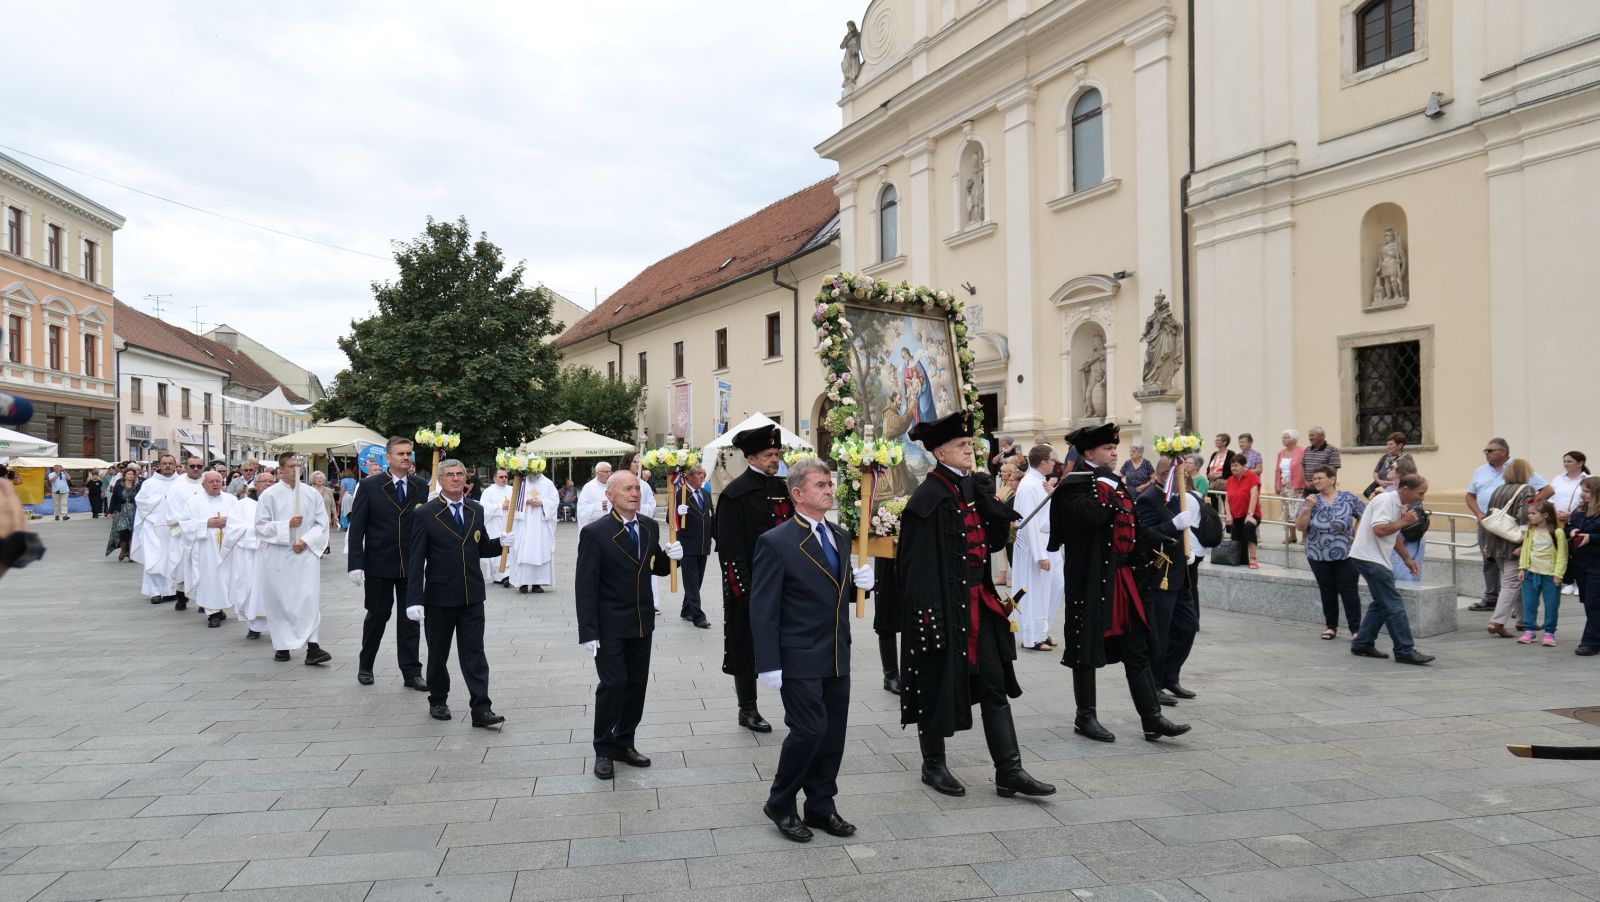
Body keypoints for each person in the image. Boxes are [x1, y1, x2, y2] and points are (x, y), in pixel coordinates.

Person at [898, 410, 1054, 798]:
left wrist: (991, 504)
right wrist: (927, 617)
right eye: (961, 445)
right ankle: (932, 764)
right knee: (935, 681)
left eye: (970, 444)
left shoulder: (969, 488)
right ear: (940, 452)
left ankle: (1010, 770)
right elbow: (914, 568)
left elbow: (995, 543)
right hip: (943, 607)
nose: (969, 450)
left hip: (979, 602)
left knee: (994, 682)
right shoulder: (927, 498)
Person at [751, 458, 871, 842]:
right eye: (821, 485)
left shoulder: (838, 535)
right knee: (809, 729)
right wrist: (767, 663)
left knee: (832, 733)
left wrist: (863, 585)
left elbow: (837, 590)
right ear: (798, 494)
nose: (830, 490)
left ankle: (821, 805)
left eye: (830, 484)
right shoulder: (776, 541)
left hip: (836, 652)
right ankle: (780, 802)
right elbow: (763, 606)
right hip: (798, 654)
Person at [1049, 420, 1191, 745]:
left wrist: (1162, 535)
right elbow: (1092, 517)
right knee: (1085, 646)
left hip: (1125, 579)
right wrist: (1109, 493)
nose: (1115, 452)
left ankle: (1152, 719)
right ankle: (1085, 716)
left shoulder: (1114, 482)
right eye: (1108, 448)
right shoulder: (1075, 486)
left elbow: (1134, 526)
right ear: (1089, 452)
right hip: (1091, 580)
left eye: (1115, 448)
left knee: (1137, 647)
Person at [575, 470, 679, 778]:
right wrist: (588, 631)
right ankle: (603, 749)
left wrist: (673, 558)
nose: (634, 493)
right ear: (610, 496)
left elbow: (655, 567)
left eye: (636, 488)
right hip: (609, 624)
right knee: (613, 685)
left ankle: (625, 742)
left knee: (636, 686)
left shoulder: (648, 527)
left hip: (640, 620)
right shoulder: (595, 533)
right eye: (627, 489)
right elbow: (585, 585)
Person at [406, 458, 511, 727]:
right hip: (440, 598)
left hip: (472, 595)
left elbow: (481, 546)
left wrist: (501, 543)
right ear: (440, 480)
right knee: (438, 653)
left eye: (459, 475)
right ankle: (438, 700)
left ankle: (481, 708)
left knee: (475, 654)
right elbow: (416, 560)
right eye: (449, 475)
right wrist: (414, 599)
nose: (455, 479)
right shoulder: (425, 513)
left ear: (467, 480)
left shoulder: (475, 509)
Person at [715, 425, 793, 733]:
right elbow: (730, 551)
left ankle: (795, 701)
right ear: (751, 457)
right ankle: (747, 708)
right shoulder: (735, 494)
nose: (775, 459)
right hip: (752, 585)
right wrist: (743, 591)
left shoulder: (787, 488)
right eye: (768, 455)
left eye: (777, 454)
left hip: (787, 582)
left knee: (790, 644)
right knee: (744, 644)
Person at [347, 435, 429, 691]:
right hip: (379, 562)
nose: (406, 458)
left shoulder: (420, 486)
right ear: (389, 458)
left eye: (409, 454)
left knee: (411, 619)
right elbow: (357, 526)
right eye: (401, 454)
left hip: (410, 564)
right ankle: (366, 664)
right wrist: (355, 563)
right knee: (377, 616)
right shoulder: (370, 485)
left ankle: (411, 672)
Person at [1136, 457, 1203, 707]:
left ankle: (1170, 675)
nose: (1184, 482)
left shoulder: (1177, 498)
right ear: (1165, 475)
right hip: (1160, 576)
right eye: (1180, 477)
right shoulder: (1148, 499)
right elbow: (1145, 534)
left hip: (1181, 575)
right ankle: (1154, 684)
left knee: (1187, 626)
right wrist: (1172, 525)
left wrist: (1190, 549)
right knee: (1159, 634)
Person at [1349, 473, 1435, 665]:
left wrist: (1407, 558)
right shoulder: (1386, 500)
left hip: (1371, 557)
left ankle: (1362, 643)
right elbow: (1379, 530)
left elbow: (1392, 532)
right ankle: (1404, 649)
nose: (1422, 498)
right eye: (1420, 493)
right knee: (1393, 603)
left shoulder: (1397, 504)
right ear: (1406, 490)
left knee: (1382, 603)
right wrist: (1404, 521)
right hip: (1369, 558)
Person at [254, 452, 331, 665]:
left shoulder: (311, 494)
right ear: (280, 469)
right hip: (279, 557)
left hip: (304, 555)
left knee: (308, 600)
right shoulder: (269, 495)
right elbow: (260, 526)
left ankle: (313, 647)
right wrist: (285, 526)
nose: (297, 470)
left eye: (300, 466)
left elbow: (321, 524)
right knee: (280, 601)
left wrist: (306, 540)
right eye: (291, 466)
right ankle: (282, 646)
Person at [1466, 439, 1552, 612]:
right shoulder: (1480, 471)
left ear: (1504, 452)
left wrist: (1530, 508)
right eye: (1485, 450)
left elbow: (1547, 490)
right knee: (1489, 559)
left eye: (1490, 450)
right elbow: (1470, 495)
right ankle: (1491, 597)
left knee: (1515, 563)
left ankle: (1515, 607)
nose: (1486, 453)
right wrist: (1479, 513)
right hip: (1489, 524)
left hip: (1513, 525)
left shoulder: (1518, 467)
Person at [1296, 465, 1365, 639]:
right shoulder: (1310, 500)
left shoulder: (1348, 498)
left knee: (1349, 589)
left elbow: (1364, 515)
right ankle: (1330, 626)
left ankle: (1355, 629)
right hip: (1317, 552)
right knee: (1327, 590)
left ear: (1332, 479)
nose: (1316, 481)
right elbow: (1299, 527)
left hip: (1346, 552)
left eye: (1320, 478)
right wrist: (1307, 509)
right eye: (1314, 478)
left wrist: (1357, 531)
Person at [180, 471, 252, 628]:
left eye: (218, 481)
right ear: (203, 484)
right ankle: (212, 612)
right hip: (206, 547)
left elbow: (243, 520)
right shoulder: (193, 502)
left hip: (229, 546)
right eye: (211, 481)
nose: (215, 484)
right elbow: (185, 523)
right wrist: (206, 523)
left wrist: (230, 521)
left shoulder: (232, 500)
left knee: (228, 577)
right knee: (210, 578)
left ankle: (222, 608)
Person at [1013, 443, 1062, 652]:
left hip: (1048, 541)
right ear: (1043, 462)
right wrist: (1039, 555)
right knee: (1034, 591)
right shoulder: (1028, 486)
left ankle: (1042, 629)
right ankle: (1032, 637)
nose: (1055, 463)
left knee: (1056, 586)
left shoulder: (1039, 482)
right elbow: (1028, 522)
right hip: (1036, 545)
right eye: (1052, 460)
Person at [1484, 458, 1538, 637]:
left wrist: (1486, 543)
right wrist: (1524, 543)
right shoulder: (1527, 490)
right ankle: (1497, 622)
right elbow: (1525, 517)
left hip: (1495, 542)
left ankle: (1524, 620)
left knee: (1516, 582)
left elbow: (1490, 517)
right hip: (1513, 543)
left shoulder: (1498, 490)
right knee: (1512, 583)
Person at [131, 454, 190, 607]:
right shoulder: (149, 484)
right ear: (159, 465)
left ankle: (171, 591)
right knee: (154, 558)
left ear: (176, 465)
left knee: (173, 558)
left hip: (174, 528)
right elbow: (141, 502)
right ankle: (155, 592)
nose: (168, 466)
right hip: (154, 527)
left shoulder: (182, 482)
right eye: (165, 463)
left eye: (171, 463)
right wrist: (162, 499)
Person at [1519, 500, 1568, 646]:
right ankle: (1529, 630)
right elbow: (1525, 550)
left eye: (1533, 513)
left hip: (1550, 575)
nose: (1530, 516)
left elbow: (1562, 555)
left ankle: (1549, 632)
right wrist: (1522, 568)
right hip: (1530, 573)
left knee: (1551, 604)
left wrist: (1558, 574)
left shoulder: (1557, 533)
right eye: (1529, 513)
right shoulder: (1530, 531)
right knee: (1529, 603)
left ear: (1545, 515)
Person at [233, 471, 275, 640]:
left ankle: (278, 625)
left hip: (275, 553)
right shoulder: (243, 505)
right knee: (252, 588)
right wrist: (259, 533)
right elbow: (234, 529)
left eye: (271, 482)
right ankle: (254, 625)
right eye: (263, 481)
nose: (267, 484)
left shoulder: (281, 502)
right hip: (251, 554)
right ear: (255, 485)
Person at [672, 464, 714, 627]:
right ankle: (698, 615)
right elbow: (670, 521)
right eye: (698, 474)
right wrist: (676, 513)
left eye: (703, 473)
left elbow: (711, 516)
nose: (702, 476)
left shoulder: (705, 493)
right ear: (688, 476)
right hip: (687, 545)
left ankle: (686, 609)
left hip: (703, 544)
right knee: (691, 582)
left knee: (697, 582)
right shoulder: (679, 494)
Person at [508, 464, 559, 594]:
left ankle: (537, 583)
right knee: (523, 550)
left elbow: (554, 501)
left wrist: (542, 502)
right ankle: (523, 583)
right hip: (524, 523)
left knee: (540, 550)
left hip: (541, 524)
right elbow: (513, 499)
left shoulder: (548, 483)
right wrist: (526, 501)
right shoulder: (522, 482)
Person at [1551, 452, 1590, 595]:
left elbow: (1591, 500)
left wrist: (1573, 514)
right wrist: (1555, 513)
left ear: (1580, 463)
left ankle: (1580, 582)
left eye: (1570, 461)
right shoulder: (1558, 479)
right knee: (1563, 550)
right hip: (1559, 521)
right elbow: (1551, 498)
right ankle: (1568, 581)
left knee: (1578, 551)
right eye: (1565, 461)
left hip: (1580, 519)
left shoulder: (1588, 479)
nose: (1566, 464)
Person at [1569, 478, 1600, 655]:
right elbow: (1570, 525)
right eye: (1582, 490)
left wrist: (1592, 538)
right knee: (1589, 601)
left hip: (1597, 561)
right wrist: (1571, 531)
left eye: (1587, 491)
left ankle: (1590, 642)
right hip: (1581, 562)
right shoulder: (1580, 509)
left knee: (1593, 601)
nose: (1583, 494)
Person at [1386, 457, 1426, 583]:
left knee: (1407, 574)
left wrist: (1385, 496)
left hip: (1408, 535)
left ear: (1401, 471)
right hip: (1391, 536)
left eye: (1392, 467)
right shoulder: (1388, 489)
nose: (1389, 469)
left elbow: (1410, 512)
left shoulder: (1412, 490)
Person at [478, 469, 515, 587]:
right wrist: (500, 506)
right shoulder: (488, 491)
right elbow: (483, 508)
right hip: (495, 525)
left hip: (510, 524)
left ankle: (510, 574)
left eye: (505, 477)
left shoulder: (512, 489)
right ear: (494, 478)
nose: (504, 479)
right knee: (497, 549)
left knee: (511, 549)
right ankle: (501, 575)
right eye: (501, 477)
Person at [1225, 456, 1263, 568]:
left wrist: (1250, 514)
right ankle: (1242, 560)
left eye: (1236, 465)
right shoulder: (1230, 480)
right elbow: (1227, 500)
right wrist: (1228, 515)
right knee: (1238, 548)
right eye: (1232, 465)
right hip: (1236, 516)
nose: (1233, 468)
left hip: (1252, 514)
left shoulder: (1251, 476)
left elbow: (1254, 495)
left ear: (1244, 466)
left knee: (1249, 527)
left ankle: (1253, 559)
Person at [1275, 430, 1307, 544]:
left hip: (1298, 486)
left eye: (1286, 437)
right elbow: (1277, 470)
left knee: (1299, 511)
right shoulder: (1281, 453)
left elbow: (1305, 467)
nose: (1283, 439)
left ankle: (1304, 537)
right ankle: (1292, 536)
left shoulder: (1302, 451)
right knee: (1287, 511)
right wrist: (1277, 485)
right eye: (1283, 437)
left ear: (1293, 439)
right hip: (1285, 487)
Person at [106, 466, 141, 561]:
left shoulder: (138, 486)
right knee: (123, 531)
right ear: (124, 476)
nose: (131, 476)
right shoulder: (119, 486)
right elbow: (114, 499)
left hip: (133, 510)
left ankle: (131, 553)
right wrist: (110, 512)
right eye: (128, 474)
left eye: (132, 474)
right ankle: (123, 550)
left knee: (132, 532)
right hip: (121, 510)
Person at [1203, 435, 1236, 510]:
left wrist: (1220, 475)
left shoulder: (1231, 454)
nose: (1215, 441)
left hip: (1225, 483)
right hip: (1213, 484)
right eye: (1216, 440)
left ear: (1224, 442)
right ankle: (1215, 521)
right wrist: (1208, 475)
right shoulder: (1214, 454)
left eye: (1218, 440)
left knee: (1227, 505)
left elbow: (1233, 470)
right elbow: (1209, 467)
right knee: (1212, 506)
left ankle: (1228, 520)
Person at [576, 462, 614, 526]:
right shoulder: (588, 488)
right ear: (598, 473)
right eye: (606, 472)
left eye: (610, 471)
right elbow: (582, 510)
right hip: (596, 525)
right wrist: (600, 506)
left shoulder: (615, 485)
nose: (609, 474)